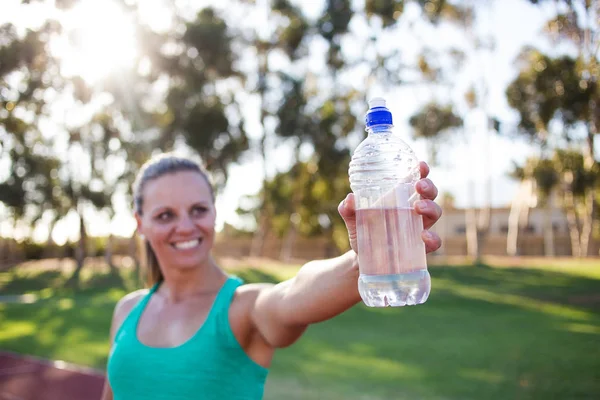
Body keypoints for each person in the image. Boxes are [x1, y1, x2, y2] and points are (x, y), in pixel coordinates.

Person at [100, 153, 442, 400]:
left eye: (198, 210)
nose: (186, 226)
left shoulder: (242, 308)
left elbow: (293, 295)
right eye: (165, 215)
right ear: (139, 222)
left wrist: (365, 257)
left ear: (215, 213)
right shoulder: (126, 311)